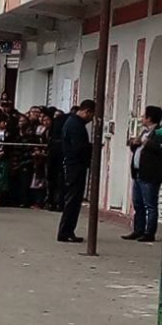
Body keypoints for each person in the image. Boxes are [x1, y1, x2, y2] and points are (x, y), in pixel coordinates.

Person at [122, 105, 162, 242]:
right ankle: (138, 229)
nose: (141, 118)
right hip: (138, 173)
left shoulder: (159, 132)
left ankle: (149, 232)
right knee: (138, 203)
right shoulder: (144, 131)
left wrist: (145, 142)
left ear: (150, 118)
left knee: (150, 205)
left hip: (150, 174)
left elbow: (161, 148)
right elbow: (138, 149)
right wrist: (134, 143)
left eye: (143, 116)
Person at [57, 100, 96, 243]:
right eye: (91, 116)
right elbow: (78, 148)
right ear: (87, 111)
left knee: (73, 200)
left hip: (73, 165)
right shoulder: (75, 125)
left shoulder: (72, 122)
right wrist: (92, 148)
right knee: (73, 200)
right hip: (75, 166)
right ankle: (66, 231)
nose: (91, 119)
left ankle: (67, 230)